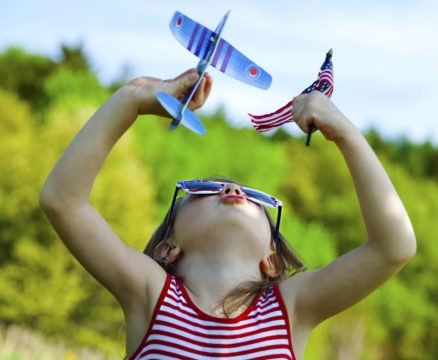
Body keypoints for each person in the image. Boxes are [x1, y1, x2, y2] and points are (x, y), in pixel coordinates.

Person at [40, 68, 416, 359]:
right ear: (167, 249)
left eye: (253, 197)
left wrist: (345, 133)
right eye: (206, 190)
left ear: (271, 261)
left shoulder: (291, 308)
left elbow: (394, 247)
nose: (233, 191)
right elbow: (63, 200)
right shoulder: (151, 293)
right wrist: (133, 97)